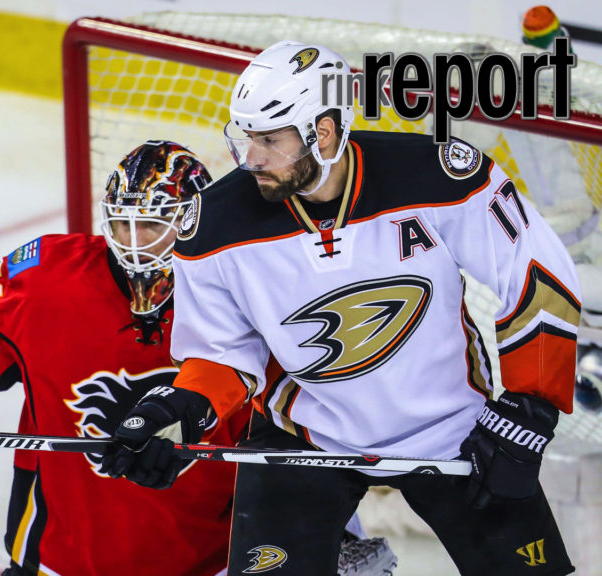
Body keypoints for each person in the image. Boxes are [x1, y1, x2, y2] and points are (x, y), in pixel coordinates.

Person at [102, 41, 582, 576]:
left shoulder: (435, 178)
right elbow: (224, 354)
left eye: (269, 139)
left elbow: (538, 275)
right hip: (303, 434)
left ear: (322, 132)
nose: (249, 158)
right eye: (245, 137)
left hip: (452, 428)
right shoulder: (214, 227)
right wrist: (178, 411)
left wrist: (527, 410)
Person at [0, 140, 394, 576]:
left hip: (214, 559)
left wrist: (322, 526)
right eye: (122, 221)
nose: (133, 240)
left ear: (194, 220)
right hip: (60, 561)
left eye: (152, 223)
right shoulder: (48, 278)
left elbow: (313, 420)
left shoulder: (250, 287)